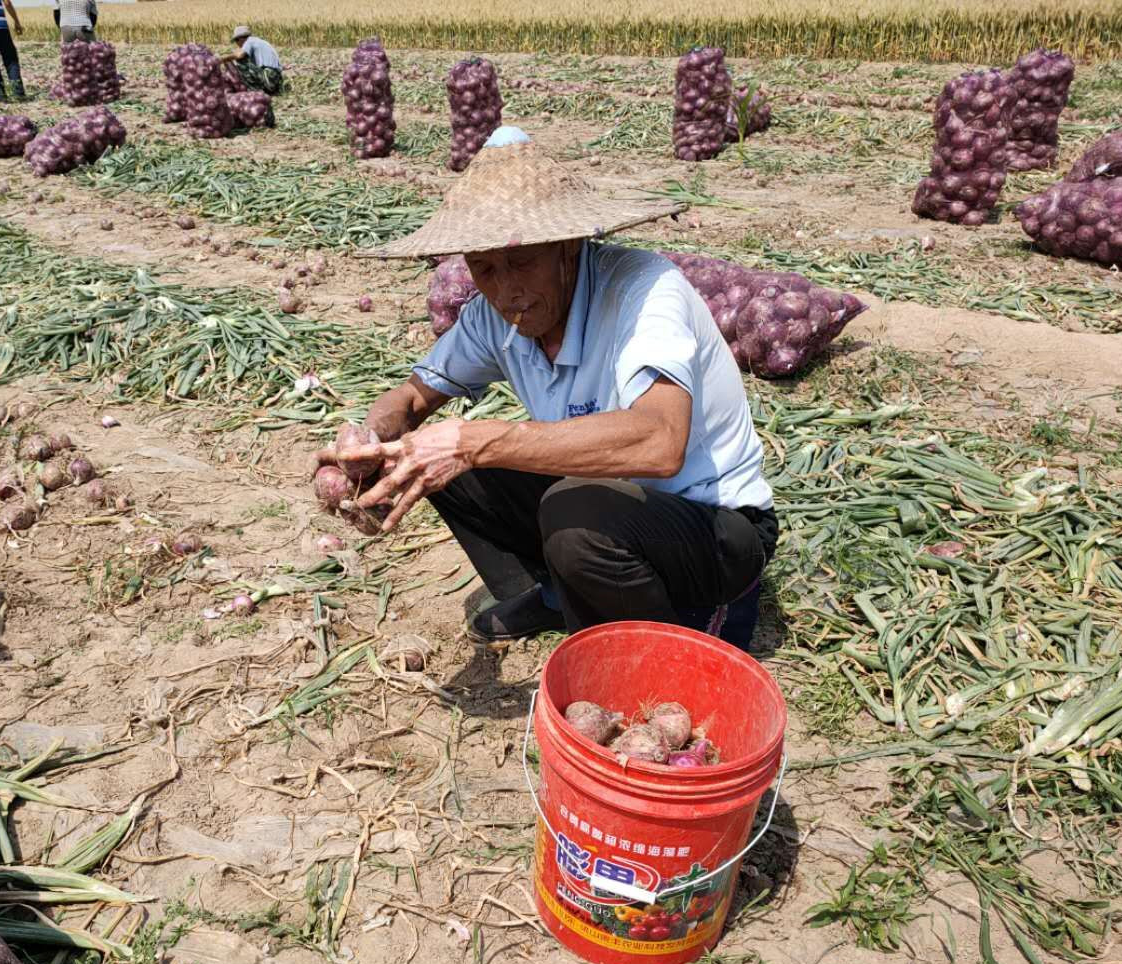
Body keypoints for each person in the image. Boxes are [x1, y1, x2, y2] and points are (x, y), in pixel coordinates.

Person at [314, 128, 778, 646]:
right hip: (608, 508)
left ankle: (665, 639)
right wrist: (369, 441)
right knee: (434, 456)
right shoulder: (495, 315)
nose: (506, 288)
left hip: (715, 528)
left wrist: (475, 442)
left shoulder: (644, 290)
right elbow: (412, 398)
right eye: (484, 268)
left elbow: (661, 441)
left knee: (558, 501)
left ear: (568, 247)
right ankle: (560, 595)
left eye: (521, 261)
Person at [221, 26, 283, 96]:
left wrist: (222, 59)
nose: (236, 43)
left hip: (268, 78)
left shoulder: (249, 41)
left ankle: (253, 91)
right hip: (275, 81)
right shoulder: (259, 42)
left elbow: (239, 55)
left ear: (241, 38)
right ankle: (261, 90)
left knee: (241, 61)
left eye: (236, 40)